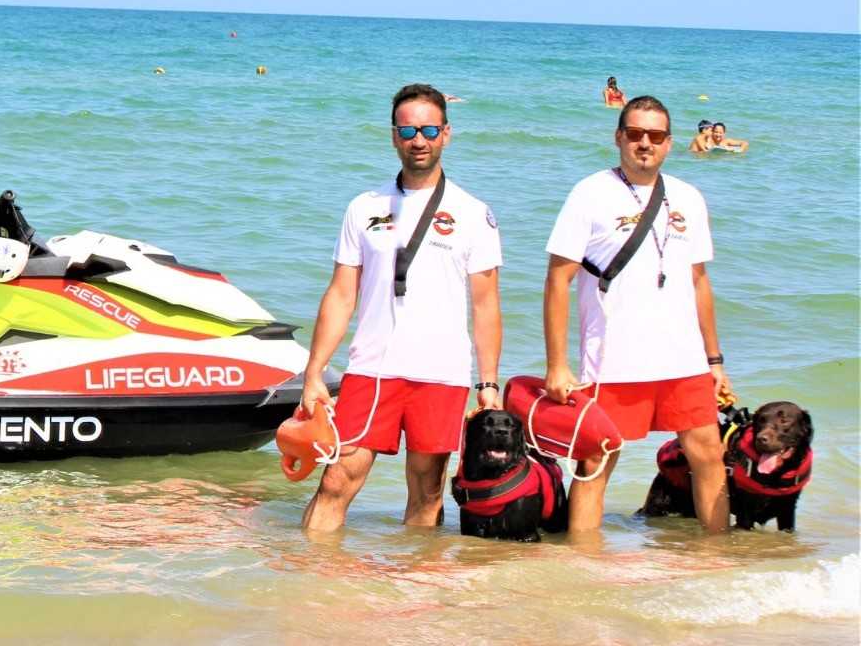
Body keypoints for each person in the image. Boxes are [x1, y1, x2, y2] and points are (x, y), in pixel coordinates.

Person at [300, 84, 504, 533]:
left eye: (429, 130)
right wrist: (314, 372)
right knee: (336, 479)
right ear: (394, 135)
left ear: (446, 134)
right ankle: (310, 573)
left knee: (427, 492)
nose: (419, 140)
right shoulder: (364, 207)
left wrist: (488, 383)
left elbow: (486, 304)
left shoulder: (473, 212)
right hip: (373, 368)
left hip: (442, 373)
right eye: (408, 130)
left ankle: (415, 578)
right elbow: (341, 294)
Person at [542, 96, 733, 533]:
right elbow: (557, 280)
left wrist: (715, 360)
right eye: (635, 133)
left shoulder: (689, 197)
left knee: (708, 453)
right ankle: (582, 563)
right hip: (613, 359)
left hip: (682, 358)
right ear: (619, 138)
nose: (645, 143)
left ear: (669, 143)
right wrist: (557, 365)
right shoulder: (590, 193)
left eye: (656, 135)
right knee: (596, 461)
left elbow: (699, 281)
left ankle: (716, 557)